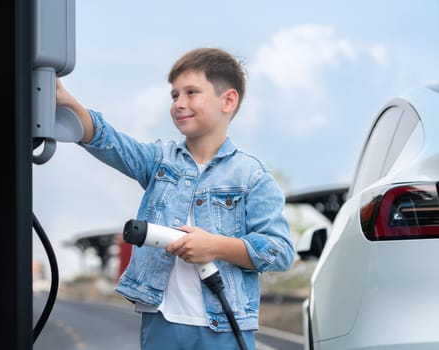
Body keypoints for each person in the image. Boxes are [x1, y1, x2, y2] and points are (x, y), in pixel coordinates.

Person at [56, 48, 295, 350]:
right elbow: (109, 141)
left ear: (228, 100)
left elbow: (280, 250)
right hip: (162, 323)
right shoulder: (160, 162)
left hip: (223, 328)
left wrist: (214, 246)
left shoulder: (252, 176)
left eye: (191, 92)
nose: (179, 104)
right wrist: (68, 103)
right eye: (174, 95)